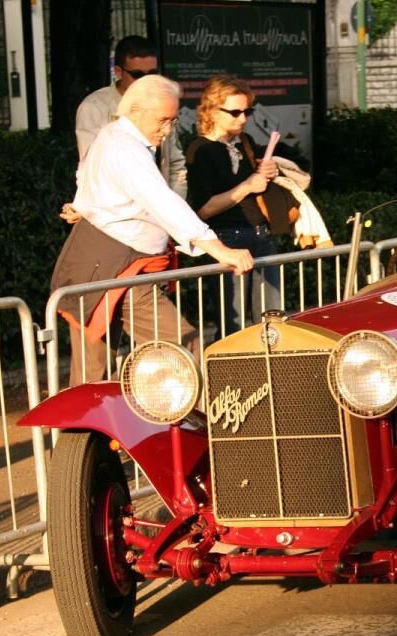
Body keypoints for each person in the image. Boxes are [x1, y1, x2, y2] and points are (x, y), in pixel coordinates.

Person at [52, 75, 254, 385]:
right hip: (112, 265)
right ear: (135, 111)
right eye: (163, 120)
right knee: (178, 351)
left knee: (98, 372)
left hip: (120, 264)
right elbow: (161, 200)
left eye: (173, 120)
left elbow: (88, 179)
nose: (168, 129)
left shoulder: (117, 138)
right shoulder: (123, 145)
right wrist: (218, 249)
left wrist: (87, 204)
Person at [185, 75, 289, 326]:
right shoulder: (200, 150)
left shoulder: (245, 142)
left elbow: (255, 184)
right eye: (234, 112)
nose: (243, 118)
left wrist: (266, 173)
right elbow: (203, 209)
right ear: (211, 110)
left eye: (247, 111)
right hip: (227, 238)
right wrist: (246, 186)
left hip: (260, 234)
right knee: (234, 323)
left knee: (272, 321)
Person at [75, 36, 187, 198]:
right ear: (118, 72)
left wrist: (174, 208)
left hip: (160, 209)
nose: (147, 80)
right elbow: (91, 168)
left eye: (153, 73)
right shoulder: (95, 107)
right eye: (138, 74)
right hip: (120, 212)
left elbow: (175, 164)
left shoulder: (161, 101)